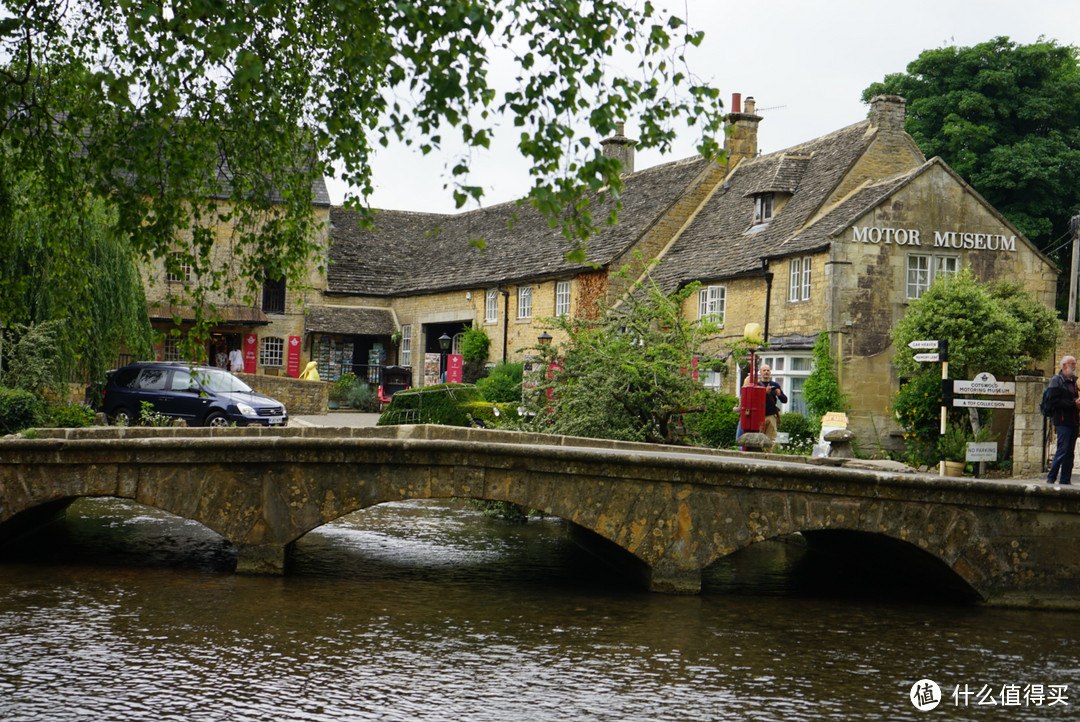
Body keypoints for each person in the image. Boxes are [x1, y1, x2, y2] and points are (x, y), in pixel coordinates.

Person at [1045, 355, 1080, 484]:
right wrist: (1073, 403)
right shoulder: (1056, 380)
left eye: (1075, 364)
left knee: (1070, 452)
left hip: (1073, 421)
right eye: (1072, 364)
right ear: (1064, 365)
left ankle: (1065, 480)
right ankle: (1051, 477)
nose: (1075, 366)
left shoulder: (1073, 382)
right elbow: (1054, 401)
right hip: (1062, 421)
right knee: (1062, 450)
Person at [756, 365, 788, 441]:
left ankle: (769, 452)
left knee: (771, 439)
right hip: (760, 416)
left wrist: (779, 394)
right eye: (764, 370)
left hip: (771, 415)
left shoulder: (775, 385)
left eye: (767, 370)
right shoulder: (757, 385)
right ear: (760, 372)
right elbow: (755, 400)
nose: (766, 372)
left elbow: (784, 400)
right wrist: (765, 392)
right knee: (758, 438)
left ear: (770, 372)